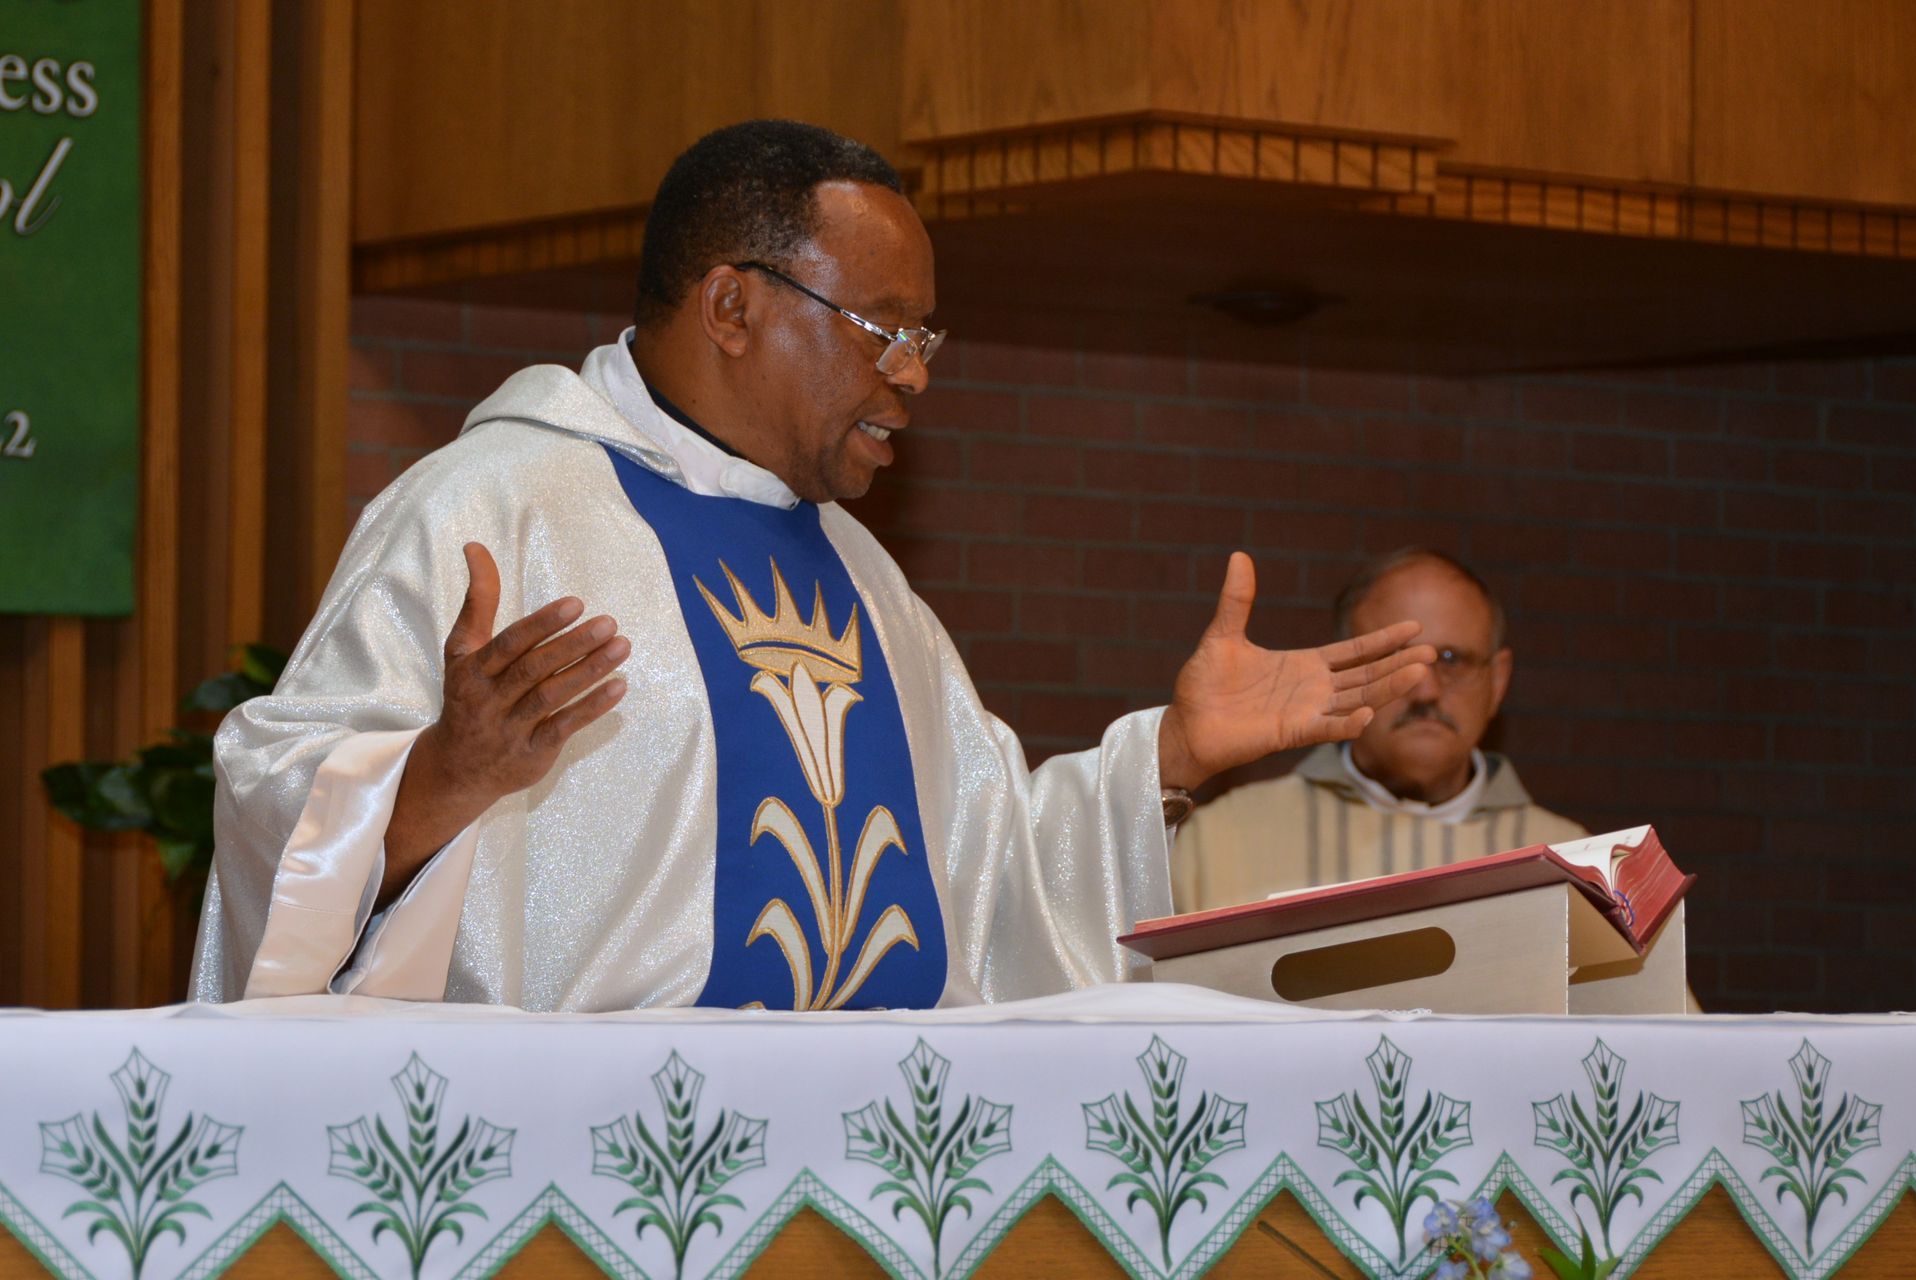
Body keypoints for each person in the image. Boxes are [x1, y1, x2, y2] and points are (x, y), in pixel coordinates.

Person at [189, 121, 1430, 1012]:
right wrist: (436, 777)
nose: (915, 374)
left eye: (926, 335)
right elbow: (268, 803)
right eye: (885, 328)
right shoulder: (492, 507)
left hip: (863, 1158)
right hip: (581, 1164)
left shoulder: (861, 575)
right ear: (732, 305)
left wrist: (1170, 757)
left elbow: (981, 866)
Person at [1172, 548, 1587, 913]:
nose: (1425, 690)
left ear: (1497, 682)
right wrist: (1177, 753)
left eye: (1451, 659)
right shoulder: (1221, 840)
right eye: (1394, 659)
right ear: (1344, 670)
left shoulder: (1574, 863)